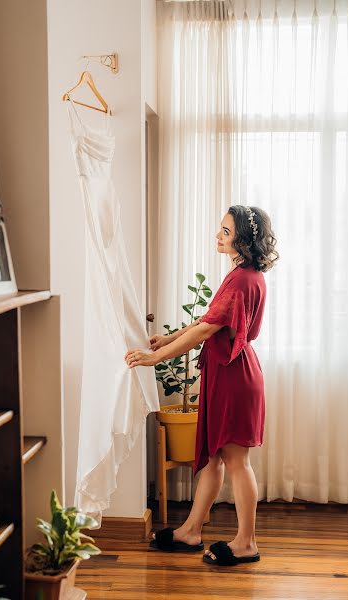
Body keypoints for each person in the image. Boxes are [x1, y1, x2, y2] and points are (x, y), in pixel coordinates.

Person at [124, 205, 279, 567]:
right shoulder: (245, 273)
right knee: (213, 456)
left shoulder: (242, 279)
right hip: (229, 373)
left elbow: (207, 330)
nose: (218, 235)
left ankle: (246, 543)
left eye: (225, 231)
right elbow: (209, 321)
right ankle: (191, 531)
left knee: (237, 460)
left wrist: (154, 358)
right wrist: (171, 338)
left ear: (243, 237)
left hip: (234, 376)